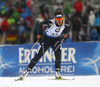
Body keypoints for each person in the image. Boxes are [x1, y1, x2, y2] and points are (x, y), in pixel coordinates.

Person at [16, 11, 70, 81]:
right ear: (55, 19)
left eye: (61, 19)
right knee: (38, 55)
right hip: (46, 39)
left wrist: (65, 33)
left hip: (56, 39)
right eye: (57, 19)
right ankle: (26, 72)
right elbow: (41, 24)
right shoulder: (50, 23)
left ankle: (57, 73)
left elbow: (68, 26)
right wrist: (40, 34)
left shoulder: (65, 22)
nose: (59, 21)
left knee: (58, 54)